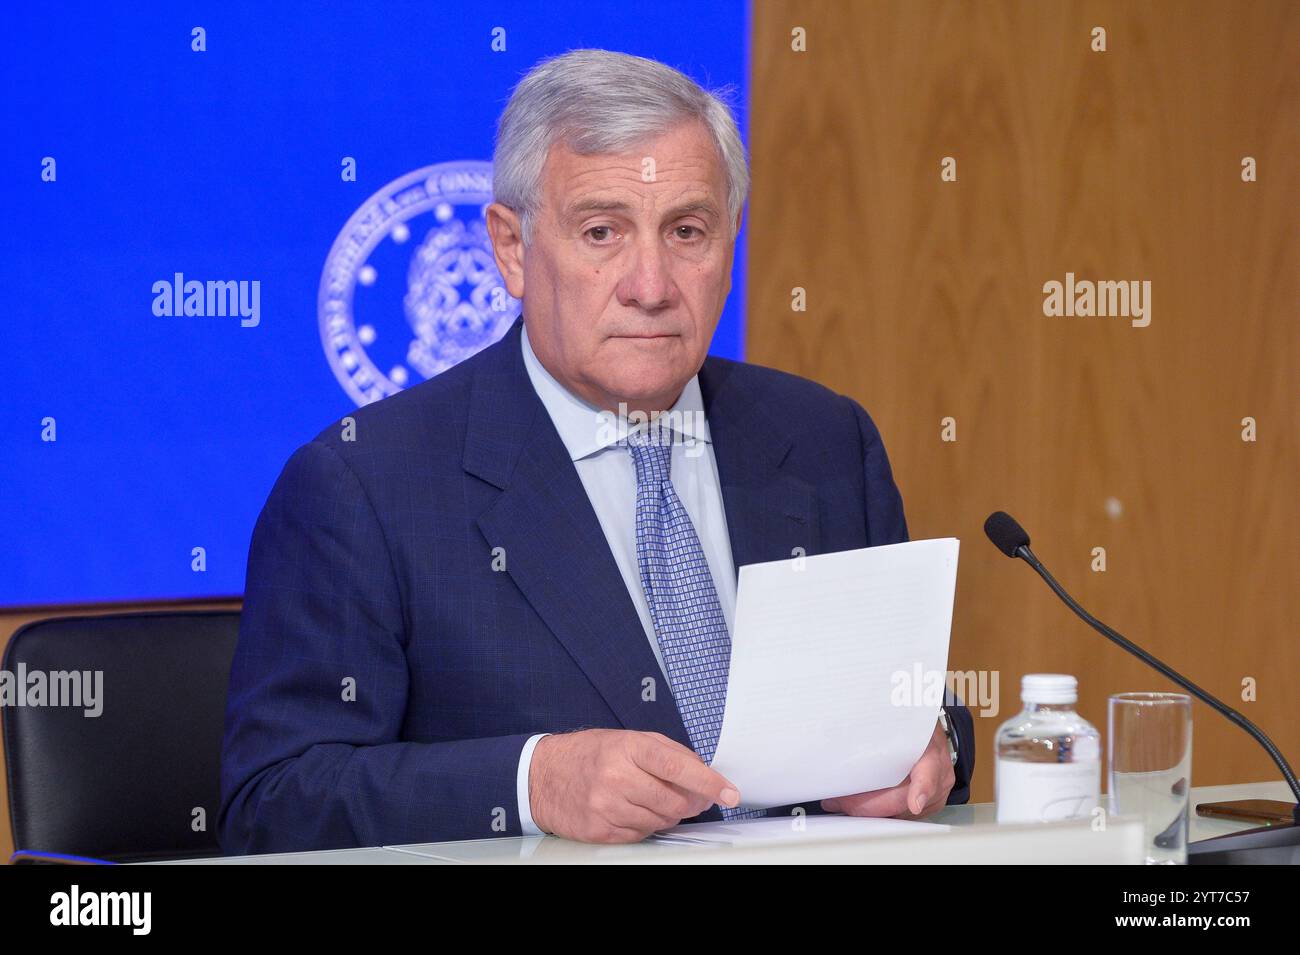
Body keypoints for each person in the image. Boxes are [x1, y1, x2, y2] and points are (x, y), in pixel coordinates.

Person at [219, 48, 973, 853]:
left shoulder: (824, 440)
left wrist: (933, 748)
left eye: (687, 231)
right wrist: (532, 782)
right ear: (511, 249)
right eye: (603, 231)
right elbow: (276, 802)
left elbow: (902, 701)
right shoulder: (363, 486)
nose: (650, 284)